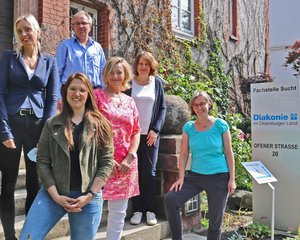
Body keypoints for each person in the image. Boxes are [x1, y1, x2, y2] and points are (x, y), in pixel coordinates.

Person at [19, 72, 114, 240]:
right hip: (53, 193)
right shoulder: (52, 124)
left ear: (88, 94)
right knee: (29, 236)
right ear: (66, 92)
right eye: (73, 89)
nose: (77, 94)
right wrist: (56, 196)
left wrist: (89, 195)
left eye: (82, 90)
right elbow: (42, 162)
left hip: (88, 196)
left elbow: (106, 163)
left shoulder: (101, 125)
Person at [0, 14, 58, 240]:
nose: (24, 34)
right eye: (20, 31)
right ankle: (9, 235)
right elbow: (0, 95)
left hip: (37, 127)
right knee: (8, 184)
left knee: (35, 183)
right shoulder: (8, 58)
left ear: (37, 31)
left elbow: (52, 97)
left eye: (28, 29)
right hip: (12, 125)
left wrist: (46, 129)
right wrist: (4, 130)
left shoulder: (49, 61)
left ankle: (29, 234)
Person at [164, 91, 236, 240]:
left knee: (215, 222)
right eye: (196, 105)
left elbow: (229, 153)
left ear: (209, 104)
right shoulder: (188, 128)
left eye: (202, 103)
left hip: (219, 177)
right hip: (195, 176)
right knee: (171, 199)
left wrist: (232, 179)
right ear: (192, 107)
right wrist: (181, 177)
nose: (199, 107)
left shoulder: (220, 125)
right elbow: (183, 154)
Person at [94, 57, 141, 240]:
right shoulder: (97, 96)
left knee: (118, 213)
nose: (115, 76)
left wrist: (130, 156)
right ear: (106, 74)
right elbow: (92, 129)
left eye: (119, 72)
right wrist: (106, 158)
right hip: (101, 160)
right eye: (112, 72)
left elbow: (136, 130)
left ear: (125, 75)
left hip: (125, 164)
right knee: (93, 211)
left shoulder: (130, 101)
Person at [125, 51, 166, 226]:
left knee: (149, 173)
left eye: (146, 64)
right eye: (141, 63)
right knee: (134, 172)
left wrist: (155, 130)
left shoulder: (156, 83)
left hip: (150, 136)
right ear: (136, 65)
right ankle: (137, 210)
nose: (143, 67)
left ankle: (150, 210)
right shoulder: (129, 83)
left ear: (151, 67)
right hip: (132, 136)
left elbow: (162, 108)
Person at [55, 10, 106, 109]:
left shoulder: (97, 48)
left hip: (94, 96)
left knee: (92, 123)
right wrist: (58, 97)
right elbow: (56, 73)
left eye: (83, 23)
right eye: (77, 24)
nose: (80, 26)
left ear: (90, 26)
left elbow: (103, 73)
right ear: (73, 27)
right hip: (71, 95)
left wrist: (104, 96)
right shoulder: (65, 45)